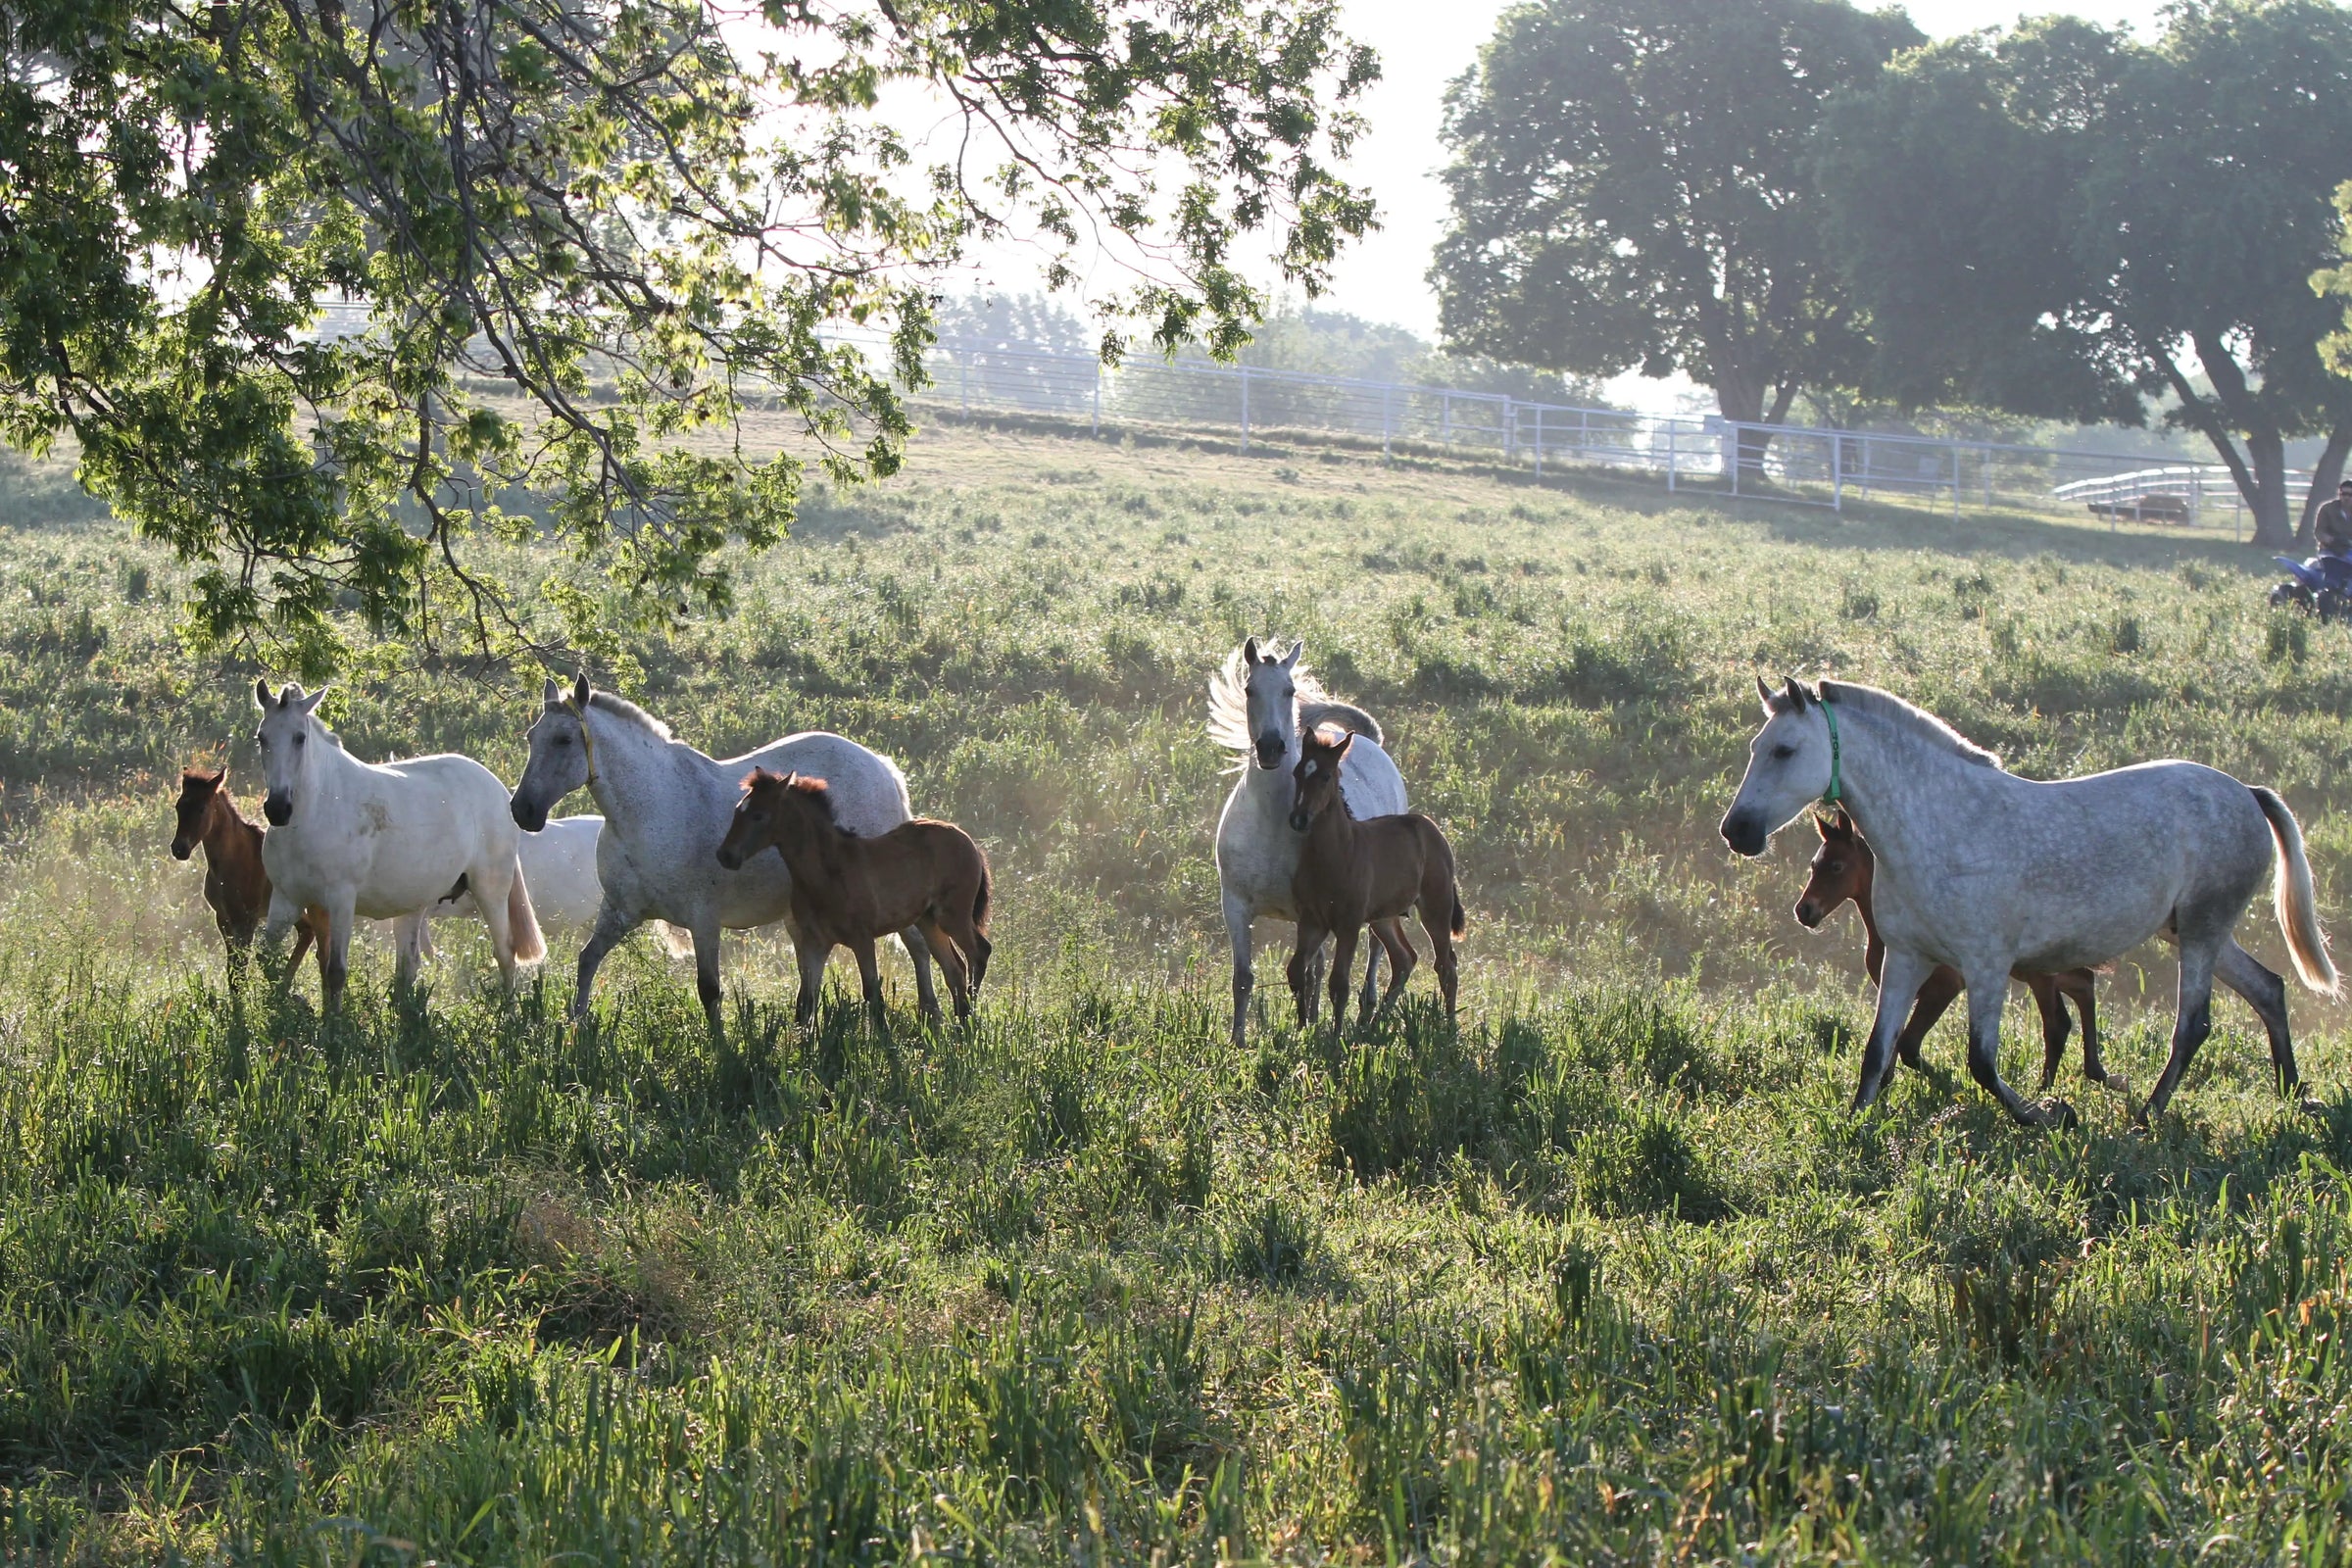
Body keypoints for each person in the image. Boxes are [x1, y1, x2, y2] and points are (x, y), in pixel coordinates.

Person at [2317, 478, 2352, 557]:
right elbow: (2319, 532)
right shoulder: (2327, 509)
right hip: (2330, 550)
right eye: (2344, 494)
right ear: (2339, 494)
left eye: (2350, 495)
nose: (2347, 497)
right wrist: (2332, 540)